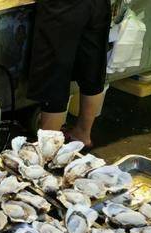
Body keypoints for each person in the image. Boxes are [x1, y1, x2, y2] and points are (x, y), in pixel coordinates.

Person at [27, 0, 111, 148]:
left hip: (63, 6)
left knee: (53, 72)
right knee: (92, 64)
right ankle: (83, 134)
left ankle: (48, 150)